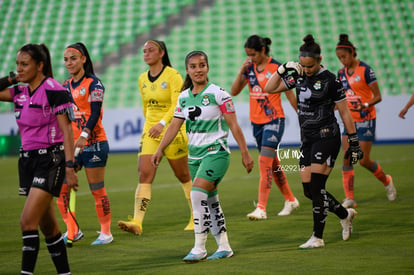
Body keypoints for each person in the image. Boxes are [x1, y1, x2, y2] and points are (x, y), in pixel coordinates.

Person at [152, 50, 254, 262]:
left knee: (197, 195)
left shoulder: (219, 94)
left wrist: (245, 153)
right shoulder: (183, 97)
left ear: (207, 67)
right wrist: (160, 149)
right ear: (187, 70)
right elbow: (174, 126)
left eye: (202, 65)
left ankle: (199, 247)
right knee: (211, 201)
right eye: (193, 66)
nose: (198, 70)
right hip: (194, 157)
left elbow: (234, 125)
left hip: (216, 153)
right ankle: (224, 246)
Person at [264, 34, 363, 249]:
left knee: (317, 187)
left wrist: (354, 141)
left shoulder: (331, 81)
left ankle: (317, 237)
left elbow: (345, 113)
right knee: (309, 191)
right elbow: (269, 88)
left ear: (319, 60)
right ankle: (345, 214)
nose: (306, 70)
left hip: (327, 136)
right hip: (307, 139)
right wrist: (282, 69)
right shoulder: (298, 76)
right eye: (302, 65)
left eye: (309, 66)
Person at [0, 43, 78, 274]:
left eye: (25, 64)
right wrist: (15, 78)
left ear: (40, 65)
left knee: (27, 221)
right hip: (27, 162)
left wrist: (70, 167)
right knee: (49, 228)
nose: (19, 69)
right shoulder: (19, 92)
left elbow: (67, 132)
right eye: (17, 65)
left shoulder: (54, 90)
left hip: (50, 161)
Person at [117, 40, 193, 235]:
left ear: (161, 53)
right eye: (144, 51)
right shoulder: (142, 78)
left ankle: (196, 216)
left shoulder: (173, 75)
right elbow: (146, 106)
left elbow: (178, 104)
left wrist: (162, 124)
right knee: (144, 173)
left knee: (183, 175)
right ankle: (137, 222)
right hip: (151, 131)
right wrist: (151, 126)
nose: (146, 53)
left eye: (151, 50)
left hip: (172, 130)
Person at [231, 34, 299, 219]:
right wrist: (241, 71)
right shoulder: (249, 68)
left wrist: (302, 115)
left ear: (262, 50)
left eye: (253, 54)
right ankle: (290, 199)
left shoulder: (276, 67)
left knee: (263, 162)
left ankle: (261, 208)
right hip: (257, 123)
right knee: (273, 164)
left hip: (274, 121)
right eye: (248, 55)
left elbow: (290, 95)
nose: (250, 58)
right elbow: (234, 91)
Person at [57, 42, 113, 246]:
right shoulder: (64, 86)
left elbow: (96, 111)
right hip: (73, 147)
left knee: (97, 189)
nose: (69, 63)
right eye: (66, 59)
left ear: (83, 59)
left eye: (73, 58)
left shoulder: (94, 83)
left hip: (95, 142)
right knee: (61, 189)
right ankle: (73, 230)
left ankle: (106, 233)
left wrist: (85, 133)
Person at [336, 34, 396, 208]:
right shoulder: (341, 73)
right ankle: (350, 198)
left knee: (363, 160)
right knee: (347, 158)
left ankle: (387, 181)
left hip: (366, 120)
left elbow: (378, 96)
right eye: (339, 58)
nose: (342, 60)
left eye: (344, 56)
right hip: (349, 121)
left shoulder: (365, 70)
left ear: (352, 52)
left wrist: (366, 104)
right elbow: (341, 97)